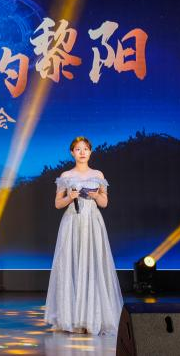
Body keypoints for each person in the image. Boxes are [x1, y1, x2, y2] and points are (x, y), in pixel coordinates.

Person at [44, 136, 123, 335]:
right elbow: (57, 204)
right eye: (78, 149)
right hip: (72, 222)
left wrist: (96, 195)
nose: (82, 152)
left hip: (93, 223)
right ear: (72, 153)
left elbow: (104, 203)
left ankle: (93, 317)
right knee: (72, 264)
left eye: (85, 149)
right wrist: (69, 197)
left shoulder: (98, 174)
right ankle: (71, 318)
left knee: (93, 265)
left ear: (90, 152)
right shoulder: (66, 175)